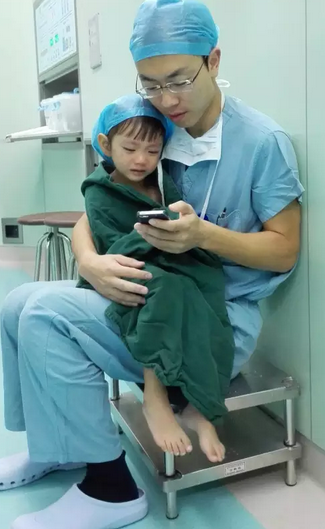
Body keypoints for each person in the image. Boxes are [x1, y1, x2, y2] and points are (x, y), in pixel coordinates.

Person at [0, 0, 303, 529]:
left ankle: (111, 490)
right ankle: (55, 446)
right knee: (16, 302)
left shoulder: (261, 143)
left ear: (213, 60)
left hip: (211, 322)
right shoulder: (156, 127)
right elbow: (97, 207)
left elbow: (285, 251)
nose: (165, 100)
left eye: (179, 81)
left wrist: (204, 236)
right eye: (150, 83)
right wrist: (88, 260)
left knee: (44, 315)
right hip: (147, 296)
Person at [82, 93, 234, 462]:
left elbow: (180, 228)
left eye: (152, 151)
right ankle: (155, 393)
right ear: (105, 144)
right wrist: (150, 228)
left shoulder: (161, 180)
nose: (141, 160)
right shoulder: (99, 191)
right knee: (166, 288)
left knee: (207, 286)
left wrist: (176, 221)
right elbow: (112, 246)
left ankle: (201, 406)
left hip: (170, 259)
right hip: (127, 269)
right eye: (130, 148)